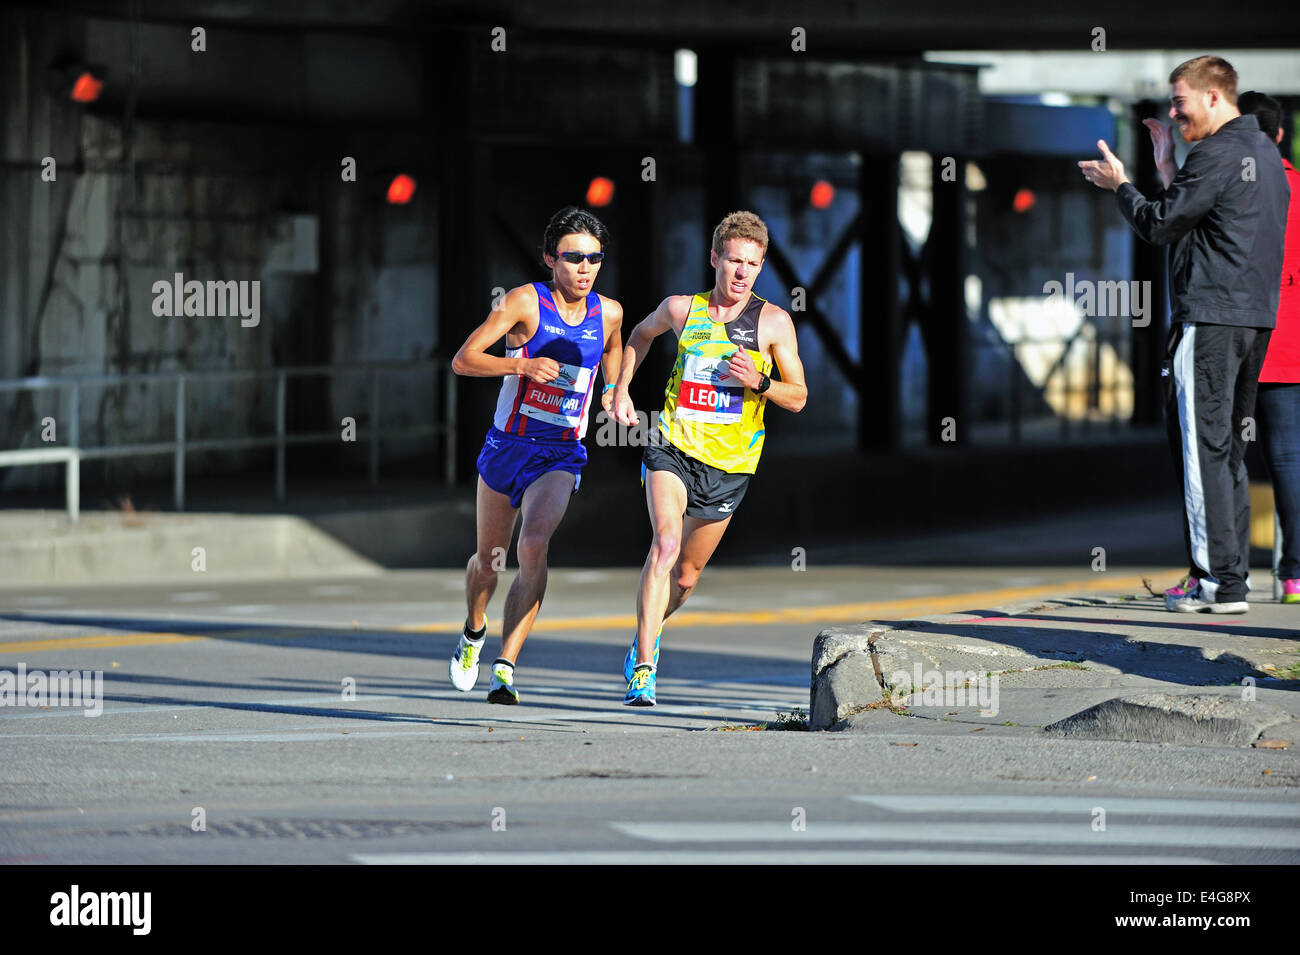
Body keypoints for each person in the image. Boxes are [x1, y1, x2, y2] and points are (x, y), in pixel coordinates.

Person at [1079, 55, 1289, 614]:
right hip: (1251, 318)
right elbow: (1196, 220)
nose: (1173, 113)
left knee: (1201, 451)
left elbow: (1158, 224)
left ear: (1215, 98)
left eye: (1180, 102)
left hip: (1211, 317)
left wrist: (1121, 183)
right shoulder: (1263, 154)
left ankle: (1215, 582)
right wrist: (1169, 165)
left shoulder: (1220, 152)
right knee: (1226, 452)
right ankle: (1227, 579)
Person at [610, 211, 807, 705]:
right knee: (665, 543)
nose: (742, 273)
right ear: (714, 258)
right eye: (734, 261)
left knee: (686, 576)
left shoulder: (773, 322)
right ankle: (646, 671)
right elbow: (639, 335)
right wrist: (620, 390)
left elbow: (799, 396)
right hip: (671, 446)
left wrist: (759, 382)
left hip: (730, 468)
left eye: (753, 265)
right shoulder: (682, 309)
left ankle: (643, 637)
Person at [448, 207, 623, 703]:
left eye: (595, 259)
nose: (585, 269)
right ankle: (474, 632)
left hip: (561, 453)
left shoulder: (608, 312)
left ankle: (505, 666)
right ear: (551, 258)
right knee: (489, 562)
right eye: (573, 258)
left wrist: (615, 390)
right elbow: (463, 360)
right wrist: (522, 365)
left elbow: (612, 349)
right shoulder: (523, 303)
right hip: (508, 447)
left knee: (535, 543)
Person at [1238, 91, 1300, 604]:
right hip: (1291, 345)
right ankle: (1295, 574)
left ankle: (1223, 573)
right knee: (1288, 456)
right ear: (1280, 135)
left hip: (1233, 339)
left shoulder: (1231, 188)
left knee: (1225, 457)